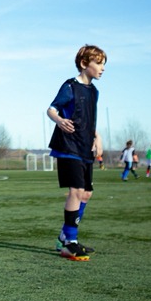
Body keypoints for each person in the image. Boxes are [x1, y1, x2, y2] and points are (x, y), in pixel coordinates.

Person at [47, 44, 106, 260]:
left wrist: (97, 137)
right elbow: (51, 109)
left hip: (84, 146)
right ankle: (70, 242)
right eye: (99, 63)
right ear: (84, 63)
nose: (103, 68)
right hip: (68, 146)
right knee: (76, 190)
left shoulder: (94, 91)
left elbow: (88, 118)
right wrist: (59, 120)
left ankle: (64, 236)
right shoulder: (70, 86)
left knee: (86, 193)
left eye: (104, 64)